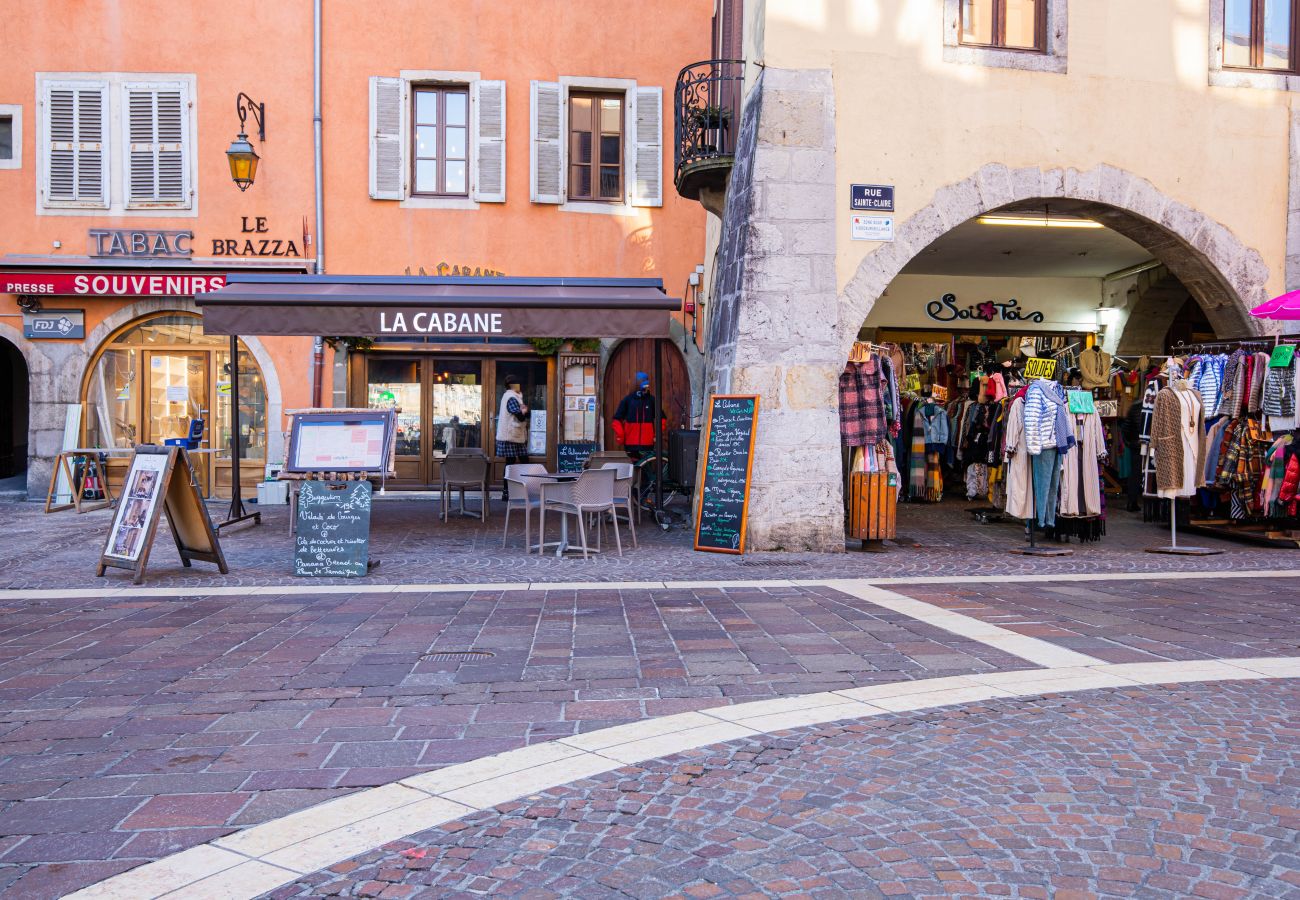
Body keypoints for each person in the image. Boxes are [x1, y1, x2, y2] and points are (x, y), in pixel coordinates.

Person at [612, 371, 666, 459]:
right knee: (633, 468)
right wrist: (621, 436)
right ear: (636, 384)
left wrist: (657, 435)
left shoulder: (652, 400)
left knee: (646, 468)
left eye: (646, 383)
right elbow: (616, 420)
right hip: (630, 444)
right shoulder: (628, 400)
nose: (645, 386)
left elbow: (662, 419)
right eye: (643, 383)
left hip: (648, 444)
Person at [496, 376, 529, 500]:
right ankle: (507, 492)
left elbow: (522, 413)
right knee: (513, 463)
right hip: (511, 435)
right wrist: (525, 411)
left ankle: (513, 491)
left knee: (517, 462)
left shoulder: (513, 397)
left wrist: (524, 411)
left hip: (515, 435)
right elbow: (520, 416)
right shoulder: (511, 398)